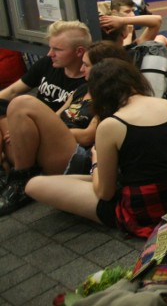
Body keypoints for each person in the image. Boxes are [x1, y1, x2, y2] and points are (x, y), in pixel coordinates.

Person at [25, 59, 167, 237]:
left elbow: (105, 193)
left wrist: (96, 162)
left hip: (146, 208)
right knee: (69, 180)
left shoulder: (111, 125)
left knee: (35, 185)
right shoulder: (166, 104)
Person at [0, 42, 131, 215]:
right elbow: (56, 116)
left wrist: (43, 133)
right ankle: (5, 169)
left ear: (104, 68)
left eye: (86, 65)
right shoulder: (82, 88)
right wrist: (23, 130)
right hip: (53, 146)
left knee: (22, 102)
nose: (82, 69)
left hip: (77, 156)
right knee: (2, 106)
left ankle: (19, 180)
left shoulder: (111, 97)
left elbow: (88, 137)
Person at [0, 21, 91, 158]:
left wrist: (27, 132)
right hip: (28, 123)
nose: (50, 54)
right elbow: (12, 91)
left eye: (57, 50)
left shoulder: (87, 82)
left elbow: (65, 122)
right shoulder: (48, 63)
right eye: (50, 48)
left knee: (20, 105)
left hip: (51, 136)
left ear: (79, 51)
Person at [99, 0, 167, 70]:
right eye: (127, 12)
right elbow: (157, 20)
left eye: (132, 11)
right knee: (160, 41)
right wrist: (123, 22)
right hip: (139, 70)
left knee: (161, 37)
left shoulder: (100, 52)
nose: (132, 15)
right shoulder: (131, 52)